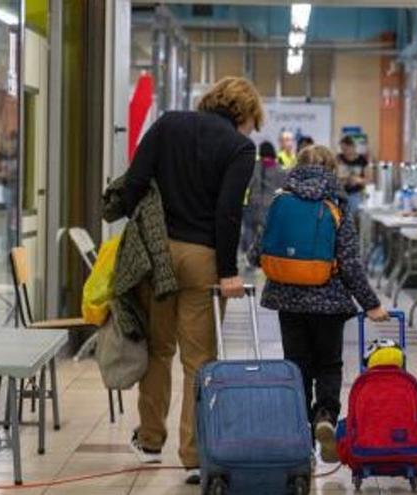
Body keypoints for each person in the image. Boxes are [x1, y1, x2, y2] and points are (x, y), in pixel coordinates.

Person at [122, 76, 263, 486]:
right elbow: (227, 213)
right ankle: (194, 456)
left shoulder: (168, 124)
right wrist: (228, 270)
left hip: (159, 254)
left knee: (158, 350)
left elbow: (133, 183)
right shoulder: (239, 147)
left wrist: (143, 235)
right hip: (203, 259)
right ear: (243, 112)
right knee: (198, 361)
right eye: (253, 120)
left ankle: (150, 442)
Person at [248, 145, 389, 464]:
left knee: (297, 364)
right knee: (328, 364)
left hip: (288, 300)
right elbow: (350, 264)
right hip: (329, 301)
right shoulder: (337, 204)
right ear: (332, 168)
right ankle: (325, 415)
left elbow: (256, 253)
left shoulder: (280, 200)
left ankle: (299, 429)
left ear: (297, 166)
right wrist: (372, 304)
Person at [241, 141, 286, 256]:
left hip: (253, 204)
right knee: (269, 233)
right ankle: (266, 256)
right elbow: (283, 187)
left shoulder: (254, 166)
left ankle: (248, 256)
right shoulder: (279, 169)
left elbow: (247, 183)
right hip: (271, 205)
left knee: (250, 231)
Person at [337, 135, 369, 215]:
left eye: (346, 149)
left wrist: (358, 180)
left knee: (353, 211)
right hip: (341, 193)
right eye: (342, 149)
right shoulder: (339, 159)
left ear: (352, 147)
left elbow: (368, 180)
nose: (344, 151)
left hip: (356, 193)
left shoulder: (362, 160)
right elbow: (334, 176)